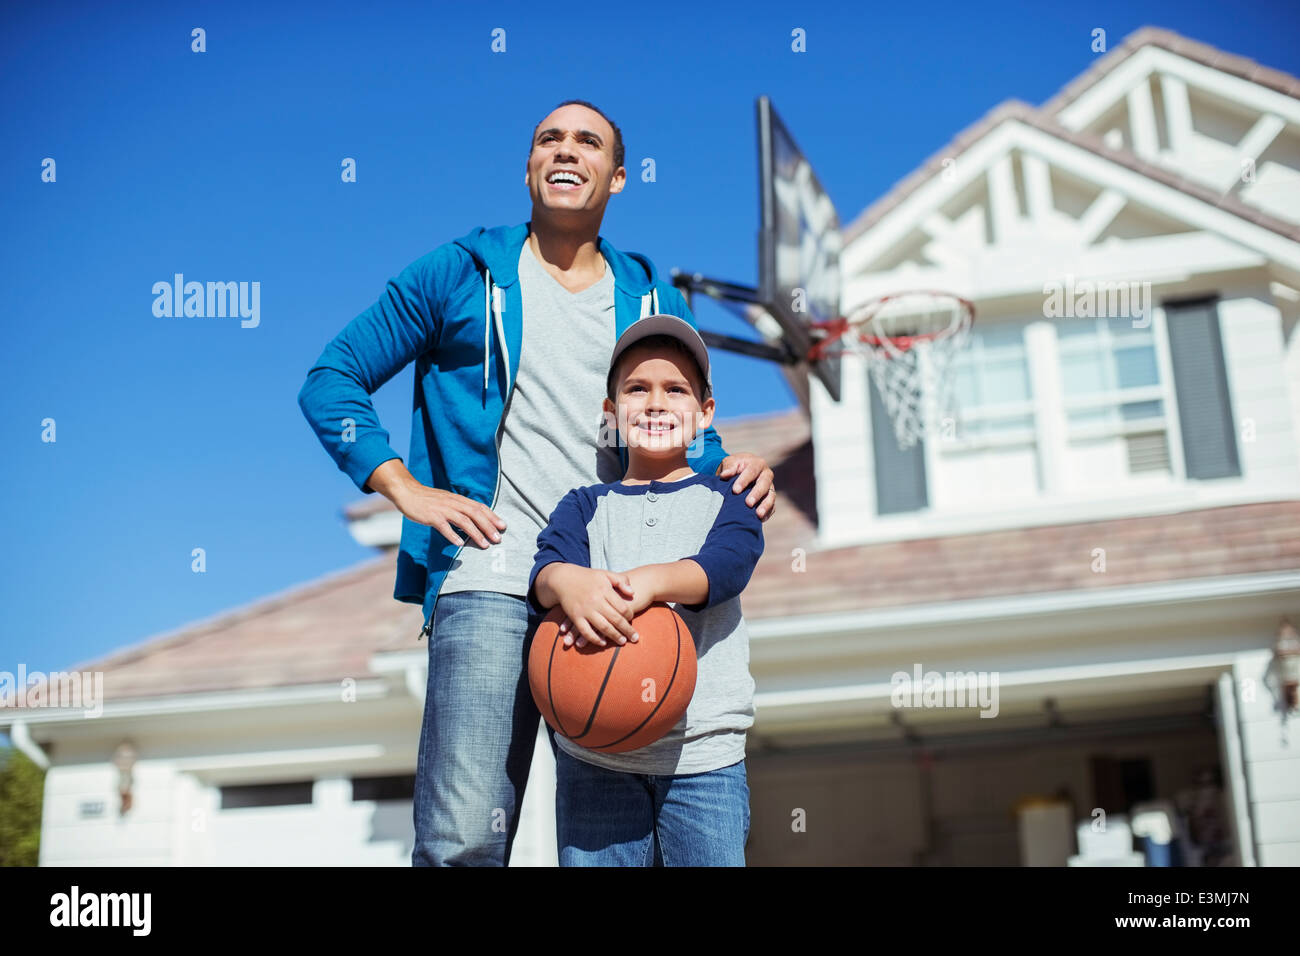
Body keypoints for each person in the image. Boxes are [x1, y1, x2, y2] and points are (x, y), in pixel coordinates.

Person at [296, 99, 777, 866]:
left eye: (588, 141)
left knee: (604, 830)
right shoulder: (461, 273)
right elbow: (333, 377)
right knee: (464, 838)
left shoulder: (650, 295)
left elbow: (689, 431)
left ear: (616, 177)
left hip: (607, 589)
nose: (566, 149)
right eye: (548, 137)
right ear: (529, 166)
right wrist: (401, 487)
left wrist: (732, 466)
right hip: (489, 572)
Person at [527, 315, 764, 866]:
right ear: (610, 414)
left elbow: (728, 565)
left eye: (676, 389)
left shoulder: (727, 497)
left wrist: (648, 584)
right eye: (637, 389)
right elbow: (545, 572)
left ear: (706, 413)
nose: (656, 402)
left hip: (704, 755)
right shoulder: (585, 505)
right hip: (595, 755)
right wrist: (567, 580)